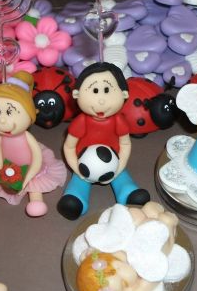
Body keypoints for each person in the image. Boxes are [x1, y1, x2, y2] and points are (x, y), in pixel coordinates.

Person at [58, 62, 150, 220]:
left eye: (107, 90)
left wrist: (119, 167)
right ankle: (76, 199)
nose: (101, 101)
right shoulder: (81, 122)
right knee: (78, 183)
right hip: (83, 164)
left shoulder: (119, 121)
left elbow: (125, 143)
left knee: (122, 178)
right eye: (94, 90)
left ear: (124, 94)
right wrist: (77, 168)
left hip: (114, 162)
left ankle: (128, 194)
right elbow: (69, 147)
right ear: (76, 94)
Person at [0, 71, 66, 217]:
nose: (2, 120)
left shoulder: (27, 138)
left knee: (34, 185)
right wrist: (1, 173)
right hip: (7, 170)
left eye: (9, 112)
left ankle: (36, 200)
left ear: (30, 115)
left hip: (31, 170)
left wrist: (27, 177)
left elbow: (37, 158)